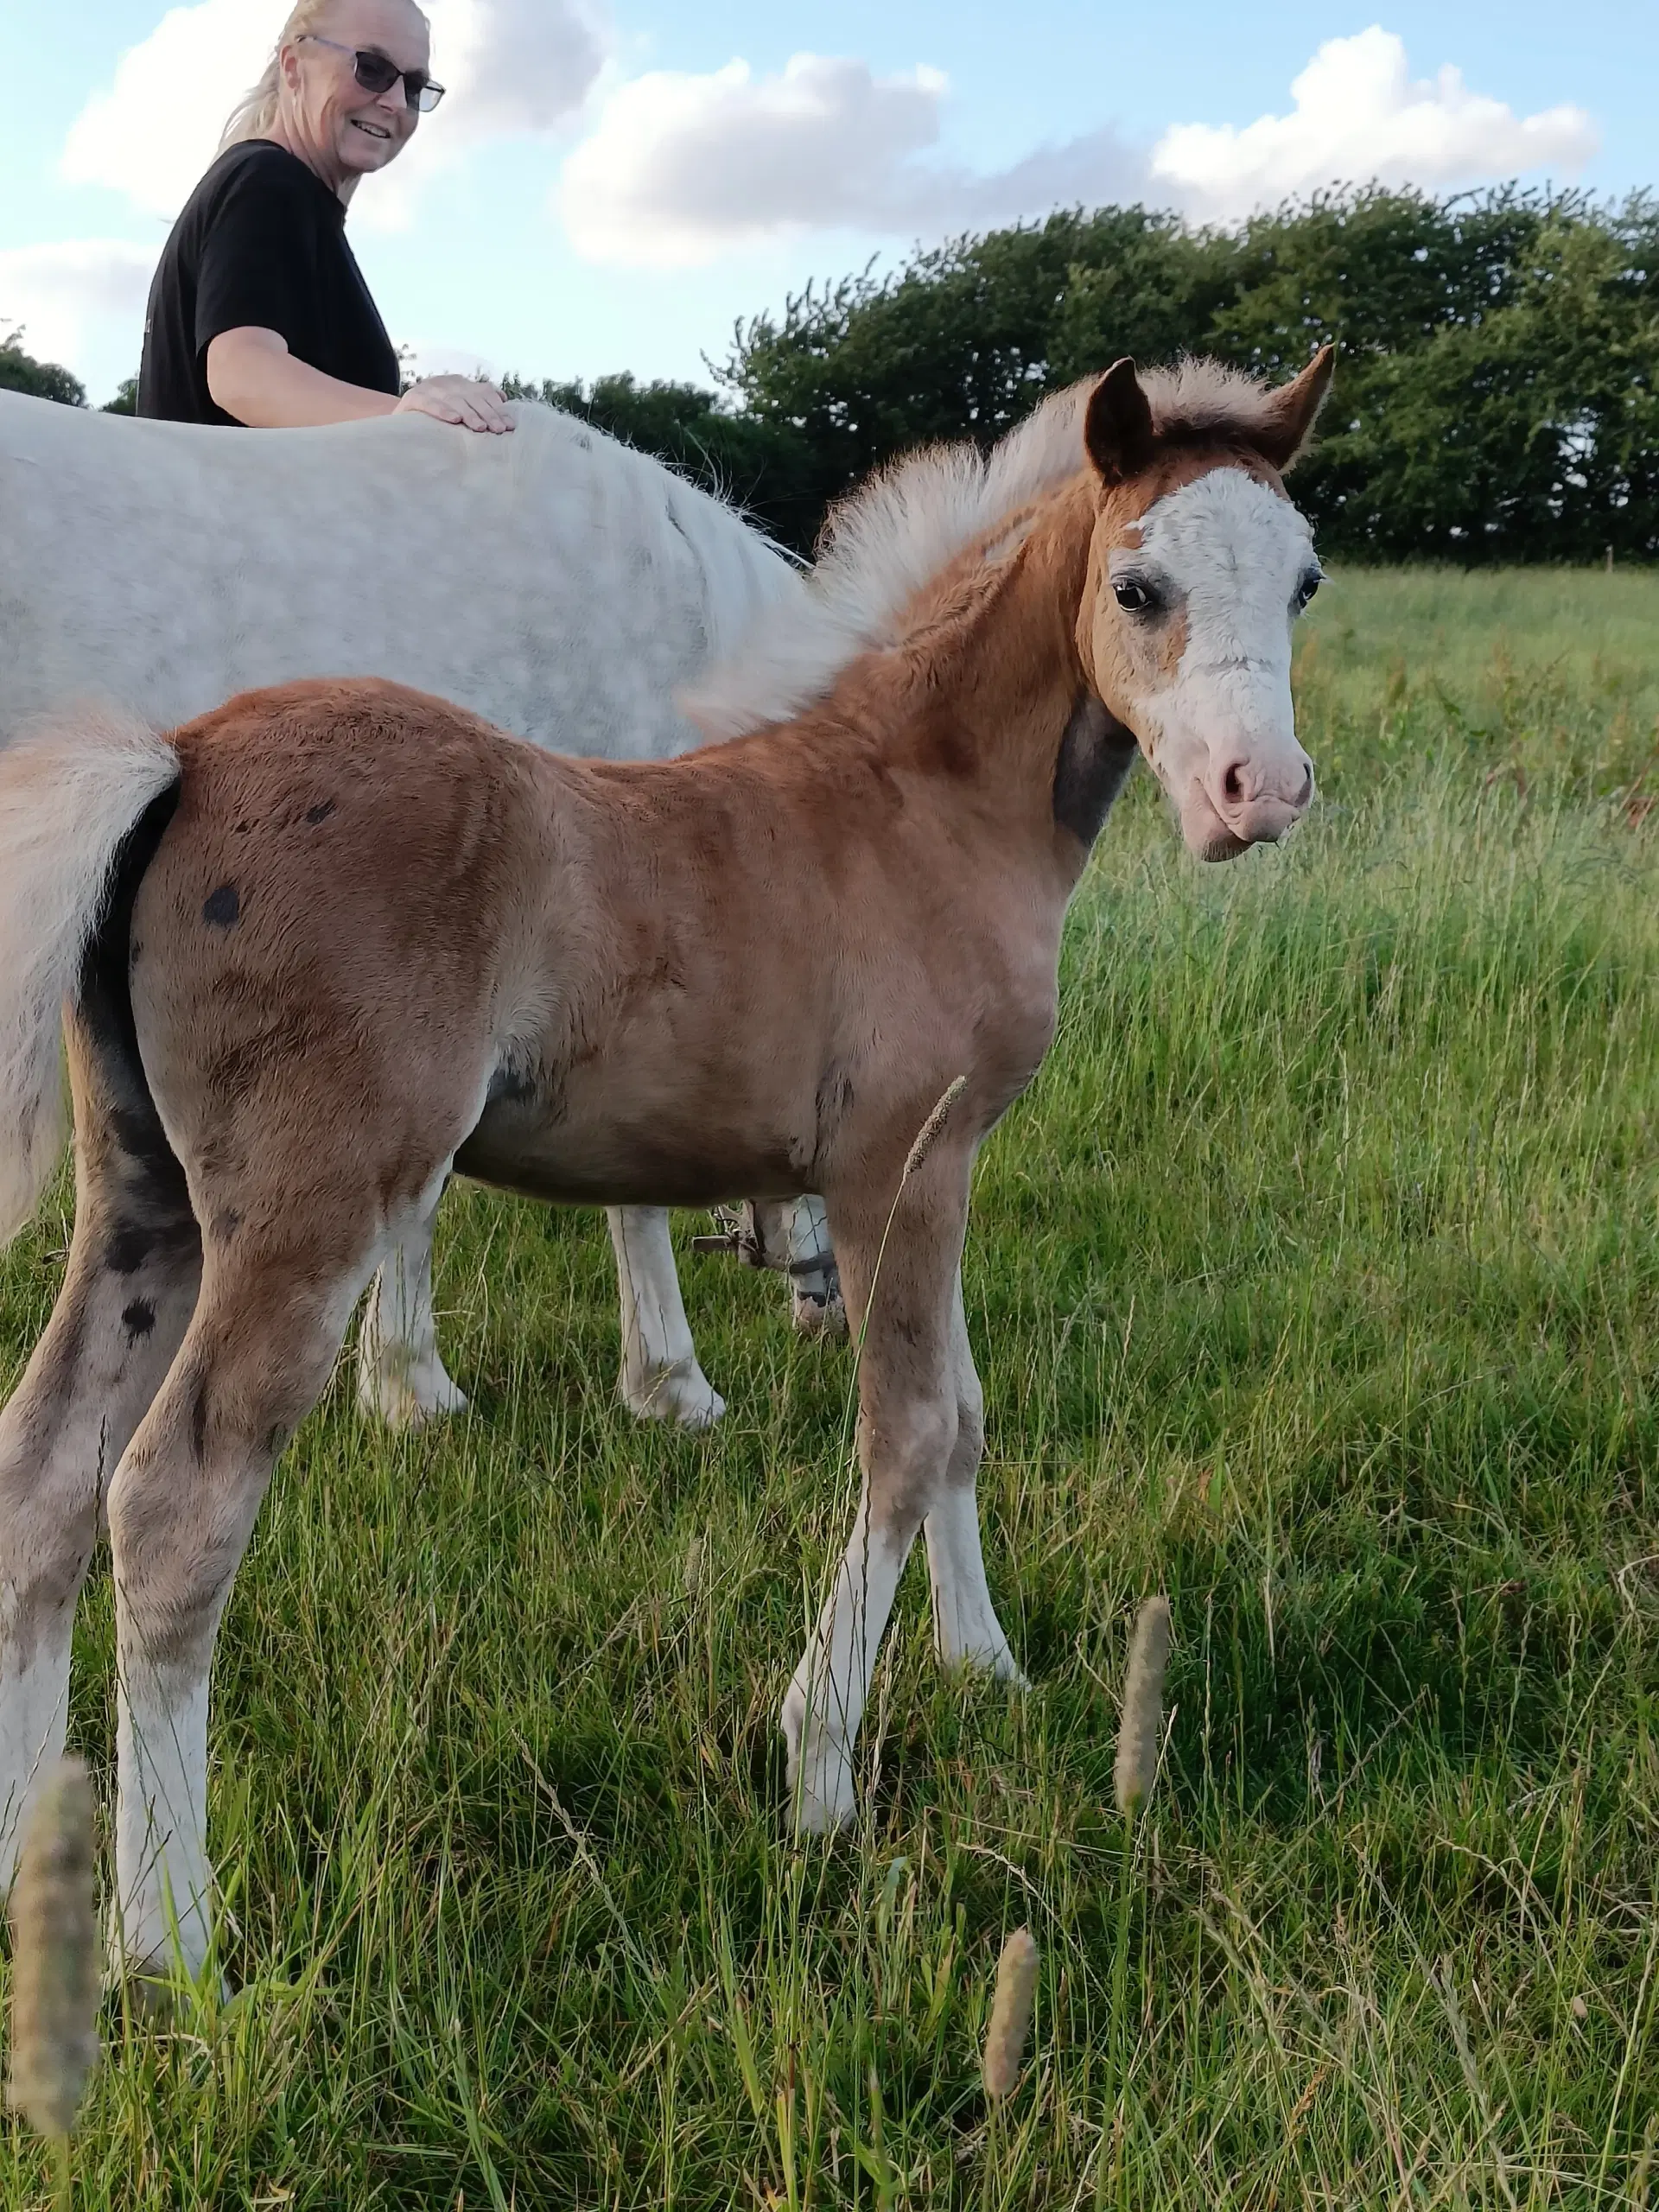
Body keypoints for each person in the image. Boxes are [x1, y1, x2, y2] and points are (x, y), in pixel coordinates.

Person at [137, 0, 512, 435]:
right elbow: (241, 375)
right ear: (294, 67)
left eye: (413, 86)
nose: (394, 102)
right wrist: (407, 416)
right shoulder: (267, 180)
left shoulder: (281, 195)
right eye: (371, 68)